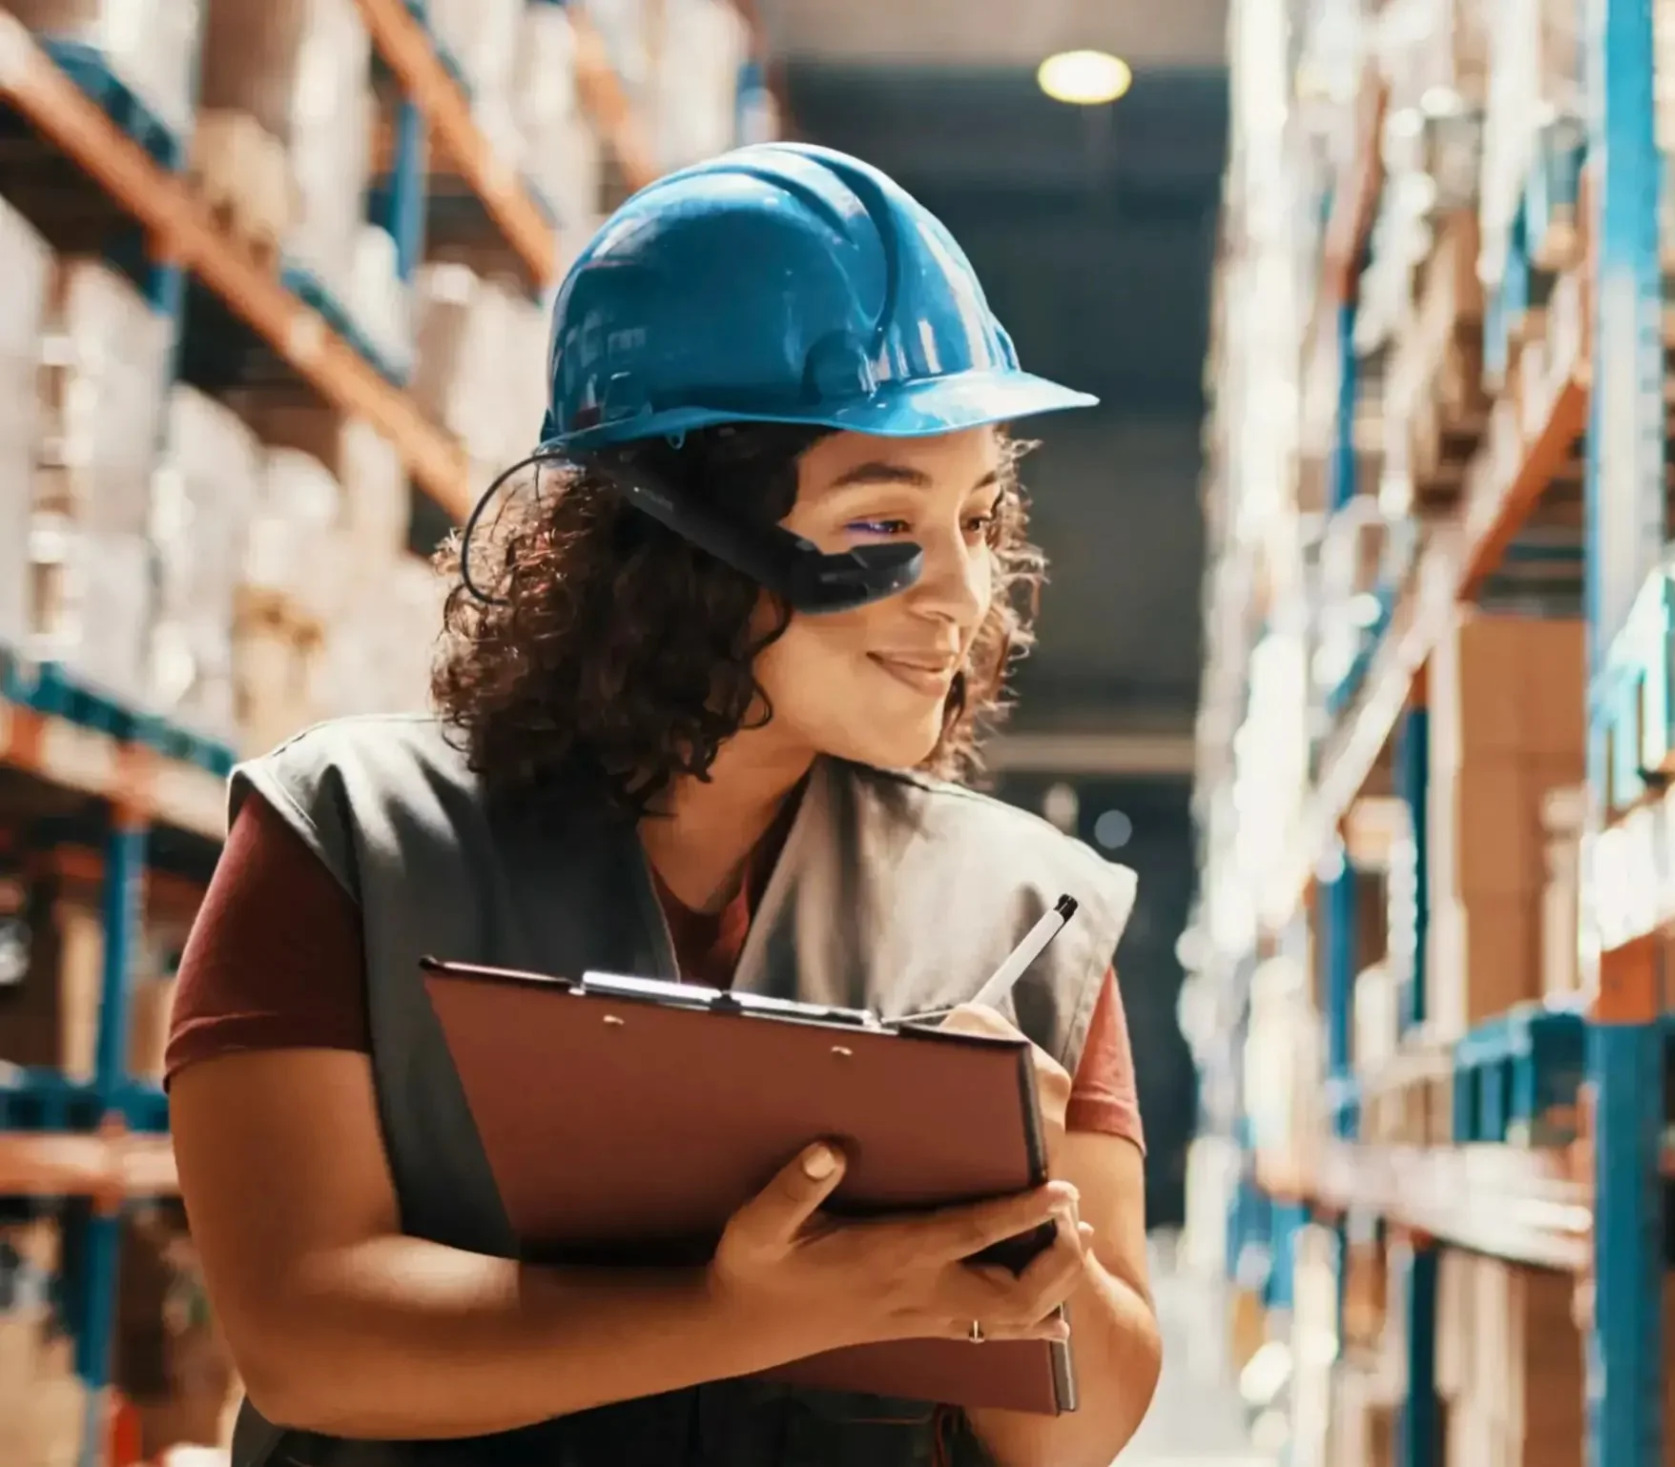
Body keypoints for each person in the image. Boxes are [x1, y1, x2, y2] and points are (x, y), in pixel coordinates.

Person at [166, 143, 1162, 1467]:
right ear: (669, 530)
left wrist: (1033, 1233)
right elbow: (302, 1336)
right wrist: (733, 1316)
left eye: (979, 520)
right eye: (881, 529)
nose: (965, 598)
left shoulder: (1027, 915)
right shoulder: (346, 838)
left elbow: (1075, 1437)